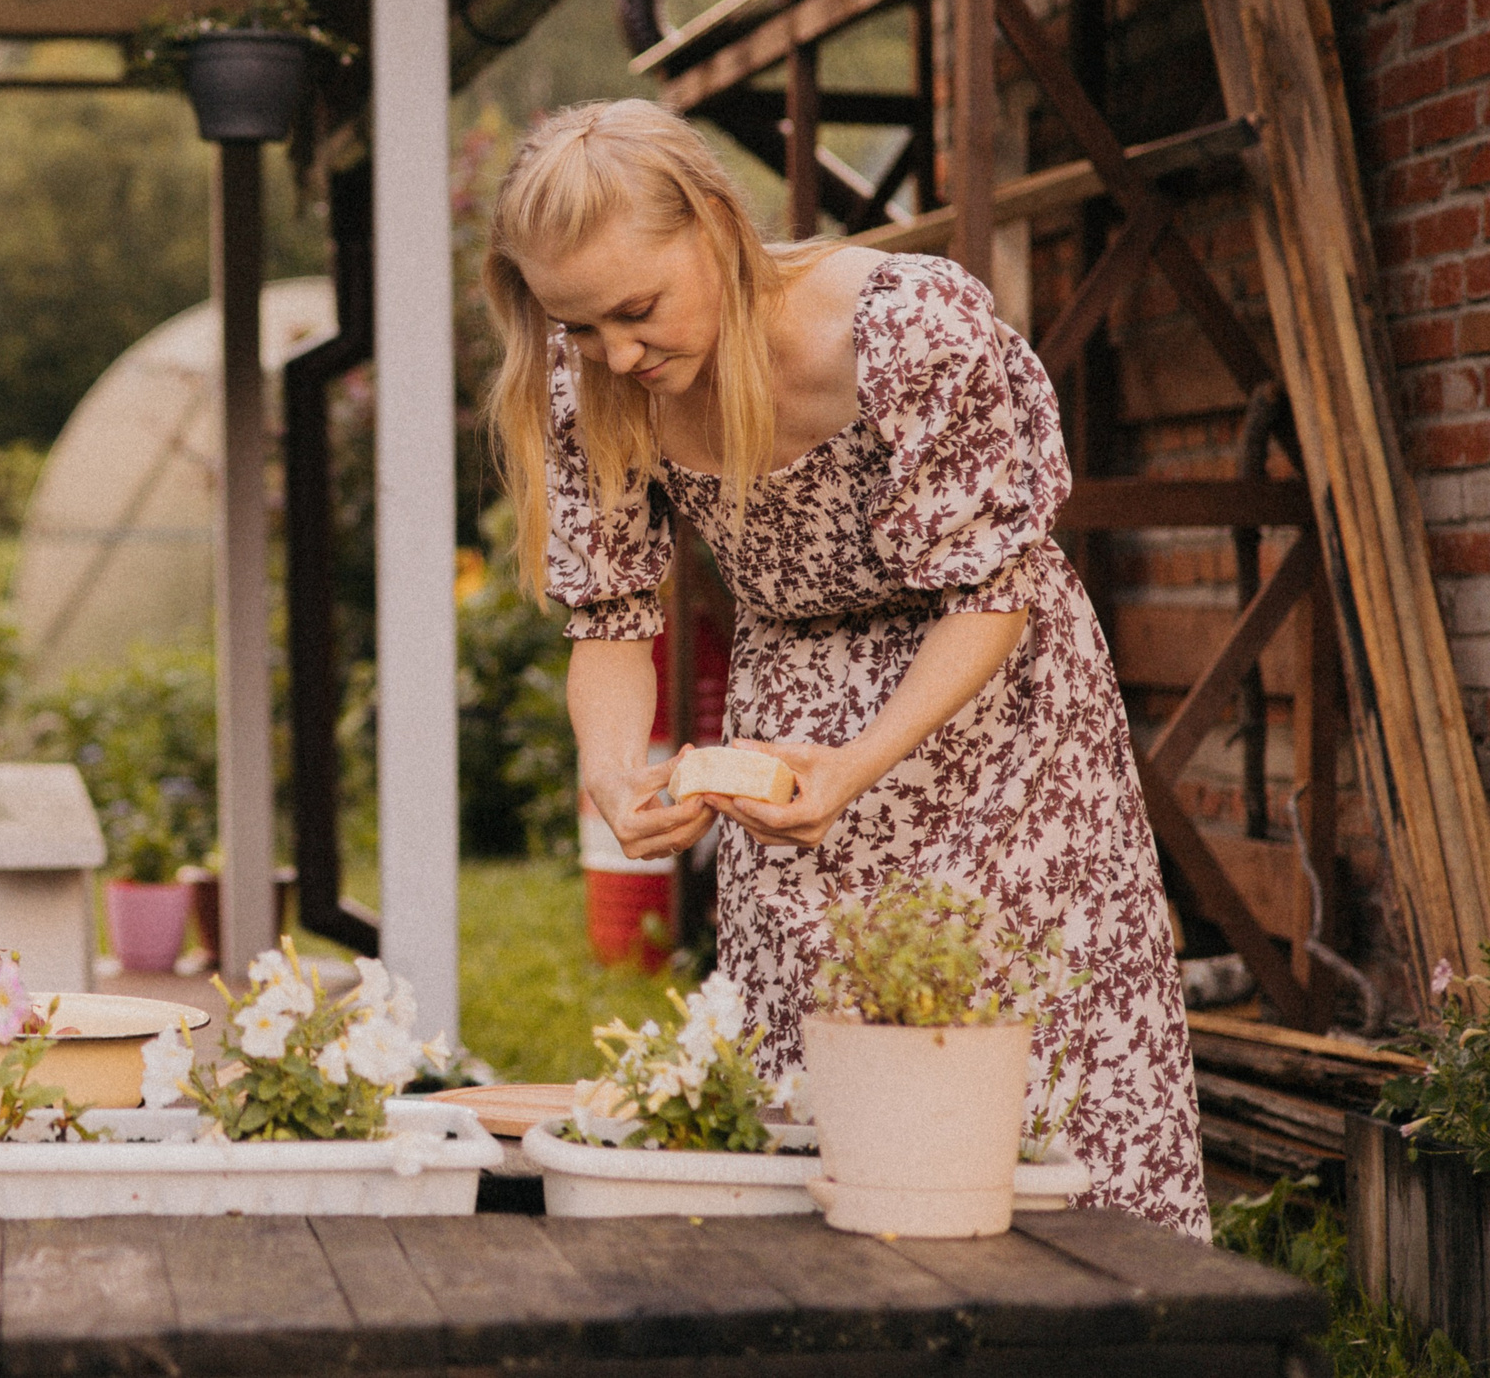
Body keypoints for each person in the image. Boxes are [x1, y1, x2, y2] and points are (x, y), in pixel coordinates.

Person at [484, 99, 1206, 1237]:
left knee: (1030, 1045)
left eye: (635, 310)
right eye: (577, 327)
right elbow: (612, 617)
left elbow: (994, 589)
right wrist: (614, 766)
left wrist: (859, 764)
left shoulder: (911, 330)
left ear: (718, 226)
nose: (616, 354)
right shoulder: (598, 388)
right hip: (789, 730)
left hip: (997, 728)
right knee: (807, 1058)